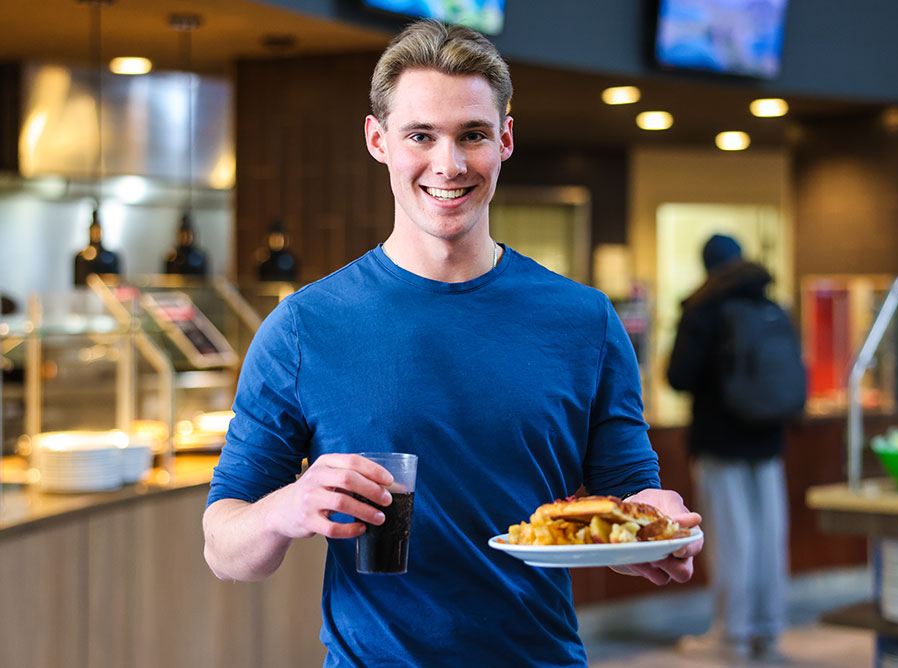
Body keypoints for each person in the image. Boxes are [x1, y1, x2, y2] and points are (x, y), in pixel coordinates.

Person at [203, 19, 702, 668]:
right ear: (378, 140)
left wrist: (658, 524)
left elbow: (630, 495)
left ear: (505, 140)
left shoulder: (584, 320)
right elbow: (224, 547)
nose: (449, 164)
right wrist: (286, 509)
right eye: (420, 136)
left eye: (472, 135)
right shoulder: (303, 328)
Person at [666, 233, 791, 662]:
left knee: (730, 540)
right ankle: (768, 629)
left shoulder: (703, 307)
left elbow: (678, 375)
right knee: (769, 537)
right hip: (769, 440)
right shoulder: (770, 303)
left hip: (720, 441)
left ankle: (732, 635)